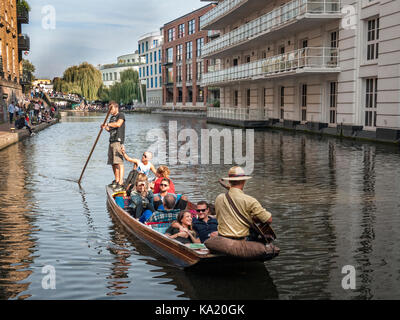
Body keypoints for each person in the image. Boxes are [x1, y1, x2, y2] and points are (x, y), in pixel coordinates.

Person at [214, 166, 273, 242]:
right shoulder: (250, 200)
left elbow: (234, 194)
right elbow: (269, 220)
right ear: (244, 181)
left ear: (229, 181)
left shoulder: (219, 198)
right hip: (242, 240)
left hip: (223, 239)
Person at [101, 101, 126, 192]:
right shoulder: (112, 118)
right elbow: (110, 129)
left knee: (119, 162)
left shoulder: (121, 115)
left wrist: (107, 124)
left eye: (111, 109)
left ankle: (121, 182)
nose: (110, 111)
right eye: (109, 109)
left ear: (116, 108)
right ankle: (116, 180)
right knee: (113, 162)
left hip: (118, 141)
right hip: (111, 141)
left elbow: (118, 124)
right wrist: (105, 127)